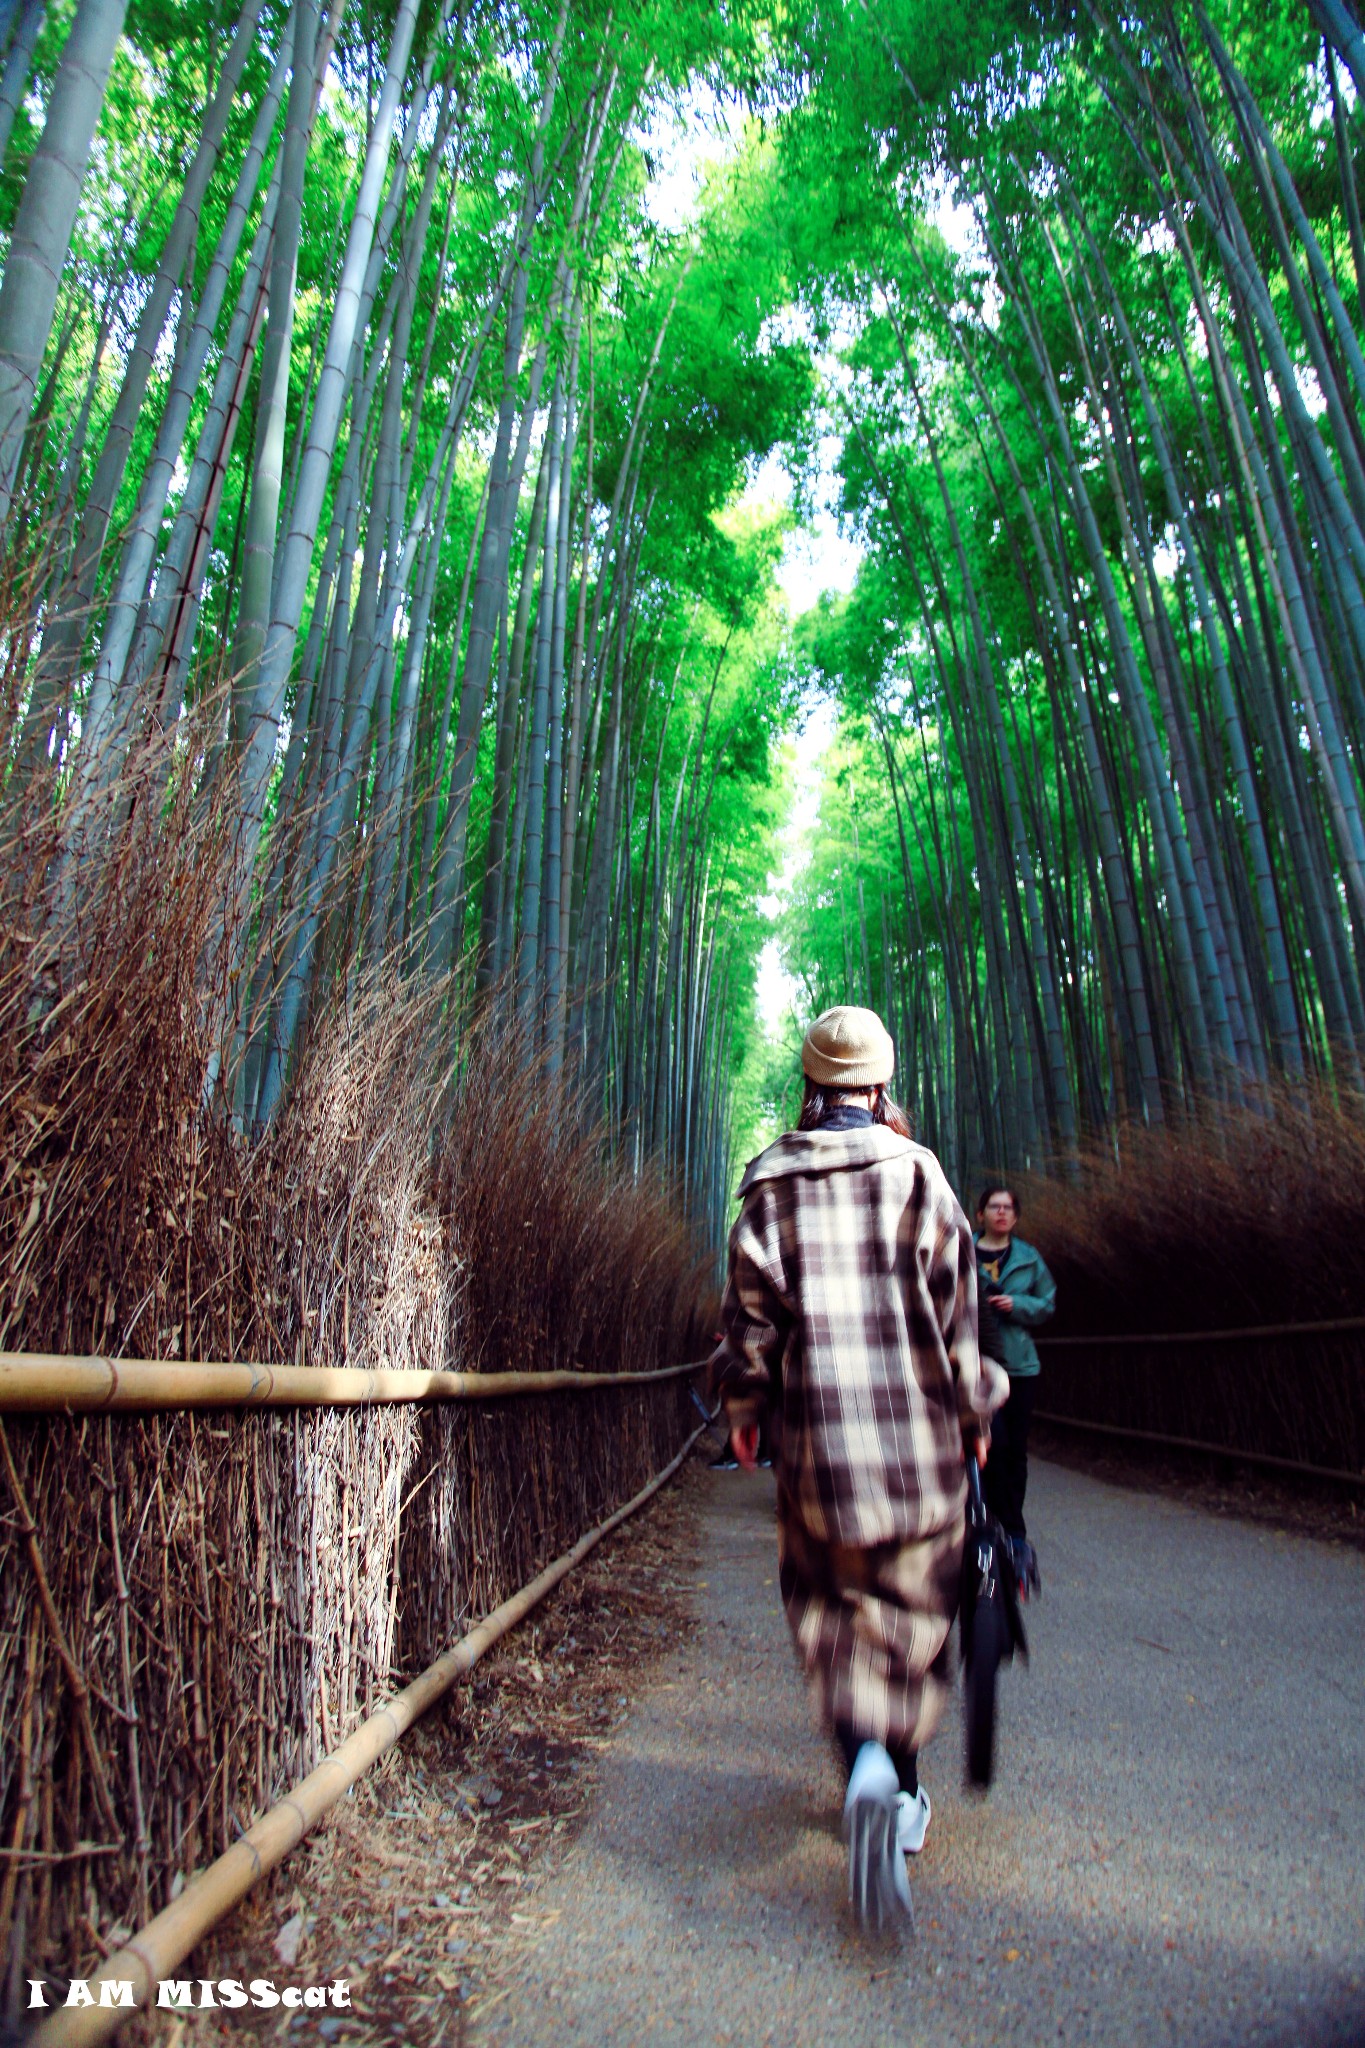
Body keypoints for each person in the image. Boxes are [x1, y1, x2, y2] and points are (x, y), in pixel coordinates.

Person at [711, 1005, 1007, 1931]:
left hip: (820, 1454)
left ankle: (865, 1770)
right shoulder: (919, 1175)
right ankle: (898, 1783)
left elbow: (748, 1322)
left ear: (810, 1083)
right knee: (908, 1618)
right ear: (879, 1087)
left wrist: (744, 1410)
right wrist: (976, 1412)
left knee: (832, 1615)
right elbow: (960, 1311)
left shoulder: (770, 1184)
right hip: (917, 1453)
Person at [975, 1186, 1055, 1588]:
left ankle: (1013, 1529)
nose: (1001, 1213)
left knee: (1015, 1449)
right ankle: (982, 1521)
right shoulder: (961, 1250)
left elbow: (1048, 1303)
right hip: (975, 1364)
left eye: (1008, 1207)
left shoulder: (1027, 1258)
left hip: (1020, 1365)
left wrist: (1017, 1305)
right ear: (981, 1214)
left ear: (1015, 1216)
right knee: (988, 1445)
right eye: (994, 1206)